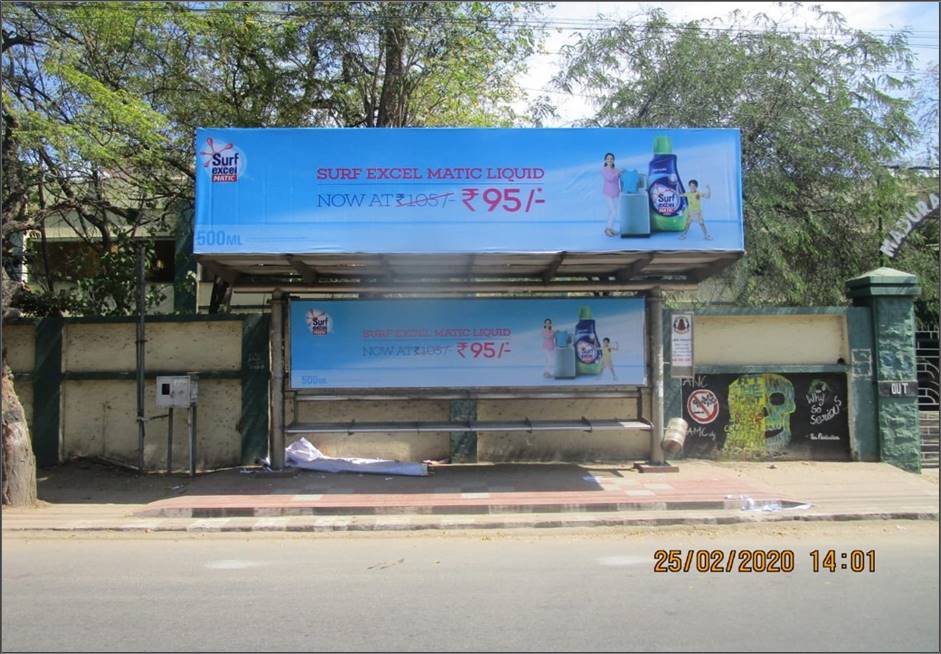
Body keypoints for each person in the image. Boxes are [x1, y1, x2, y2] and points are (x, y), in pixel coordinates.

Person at [601, 152, 622, 237]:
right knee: (613, 212)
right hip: (607, 193)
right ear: (605, 160)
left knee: (611, 212)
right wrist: (618, 173)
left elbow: (620, 179)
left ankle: (611, 229)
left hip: (616, 193)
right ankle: (607, 229)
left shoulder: (616, 170)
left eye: (611, 158)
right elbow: (610, 178)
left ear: (614, 160)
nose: (610, 160)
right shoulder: (604, 169)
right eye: (608, 158)